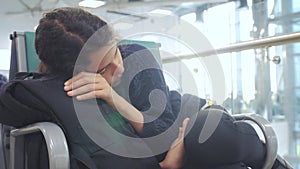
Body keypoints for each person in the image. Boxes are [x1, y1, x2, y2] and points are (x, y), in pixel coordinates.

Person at [0, 7, 293, 169]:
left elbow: (162, 126)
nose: (119, 67)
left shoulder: (137, 56)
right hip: (173, 153)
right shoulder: (62, 91)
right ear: (75, 74)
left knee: (208, 137)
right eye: (104, 68)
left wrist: (114, 97)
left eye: (115, 52)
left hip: (188, 119)